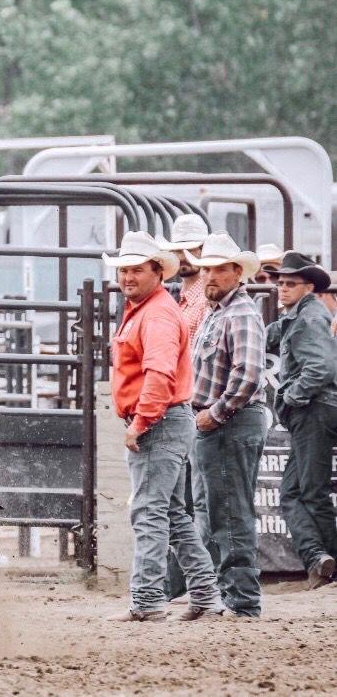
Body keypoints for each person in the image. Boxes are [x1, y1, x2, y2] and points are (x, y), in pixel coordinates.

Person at [102, 232, 222, 622]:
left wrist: (140, 422)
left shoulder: (154, 314)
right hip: (168, 419)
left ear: (157, 272)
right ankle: (204, 594)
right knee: (170, 513)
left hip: (160, 420)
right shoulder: (152, 309)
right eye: (124, 270)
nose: (127, 277)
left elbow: (159, 374)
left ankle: (148, 600)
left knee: (150, 512)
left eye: (136, 269)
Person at [185, 233, 267, 617]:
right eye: (206, 269)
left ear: (237, 272)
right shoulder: (220, 312)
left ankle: (242, 600)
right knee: (219, 511)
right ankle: (230, 594)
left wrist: (214, 413)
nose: (211, 276)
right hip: (220, 422)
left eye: (219, 269)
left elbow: (248, 374)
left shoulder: (240, 313)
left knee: (229, 512)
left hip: (228, 422)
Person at [265, 252, 337, 589]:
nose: (283, 288)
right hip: (312, 411)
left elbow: (322, 368)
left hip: (314, 410)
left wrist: (292, 397)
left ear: (308, 287)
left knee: (311, 491)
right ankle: (317, 558)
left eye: (291, 283)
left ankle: (330, 565)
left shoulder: (309, 318)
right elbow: (274, 333)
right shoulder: (300, 316)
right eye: (280, 283)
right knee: (293, 492)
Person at [158, 213, 210, 340]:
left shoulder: (207, 301)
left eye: (190, 250)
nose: (182, 257)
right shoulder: (176, 295)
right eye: (178, 250)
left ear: (203, 250)